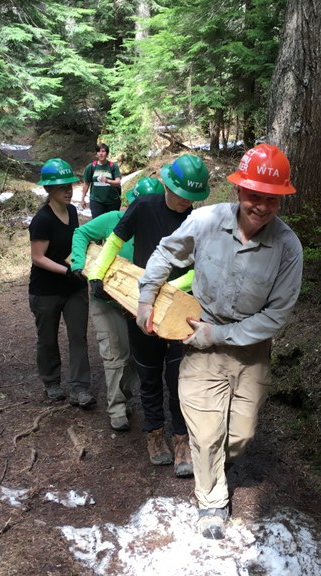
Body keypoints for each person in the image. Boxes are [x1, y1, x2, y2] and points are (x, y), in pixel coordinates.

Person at [135, 144, 303, 539]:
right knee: (206, 432)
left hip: (250, 350)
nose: (260, 206)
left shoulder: (288, 248)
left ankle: (216, 464)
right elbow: (166, 252)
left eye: (270, 199)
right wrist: (146, 294)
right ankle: (211, 501)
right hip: (200, 340)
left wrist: (222, 335)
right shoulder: (205, 221)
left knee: (240, 435)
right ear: (238, 191)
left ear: (280, 200)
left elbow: (276, 316)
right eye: (253, 195)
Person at [88, 154, 211, 478]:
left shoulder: (194, 221)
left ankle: (181, 439)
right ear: (169, 184)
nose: (186, 202)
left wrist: (167, 288)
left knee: (180, 378)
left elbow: (199, 268)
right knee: (149, 373)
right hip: (140, 305)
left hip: (181, 308)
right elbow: (115, 240)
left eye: (192, 198)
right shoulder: (143, 207)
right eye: (182, 195)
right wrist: (97, 275)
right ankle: (155, 435)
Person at [69, 177, 165, 431]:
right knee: (115, 353)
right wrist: (80, 264)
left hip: (135, 303)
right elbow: (81, 233)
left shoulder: (159, 228)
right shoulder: (113, 219)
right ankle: (117, 409)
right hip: (106, 300)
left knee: (134, 354)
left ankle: (125, 396)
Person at [28, 158, 96, 409]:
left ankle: (80, 388)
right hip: (46, 290)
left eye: (70, 185)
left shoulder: (72, 211)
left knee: (78, 336)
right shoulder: (42, 220)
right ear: (48, 190)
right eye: (61, 187)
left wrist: (84, 261)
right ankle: (51, 382)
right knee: (47, 338)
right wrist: (66, 271)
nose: (68, 190)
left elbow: (75, 243)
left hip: (74, 287)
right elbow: (38, 258)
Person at [80, 143, 122, 219]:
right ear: (96, 154)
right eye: (99, 151)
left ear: (107, 153)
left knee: (112, 224)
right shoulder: (91, 167)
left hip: (112, 201)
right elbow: (86, 184)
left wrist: (107, 181)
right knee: (97, 224)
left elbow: (118, 182)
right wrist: (82, 199)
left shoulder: (113, 166)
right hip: (96, 201)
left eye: (103, 151)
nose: (101, 153)